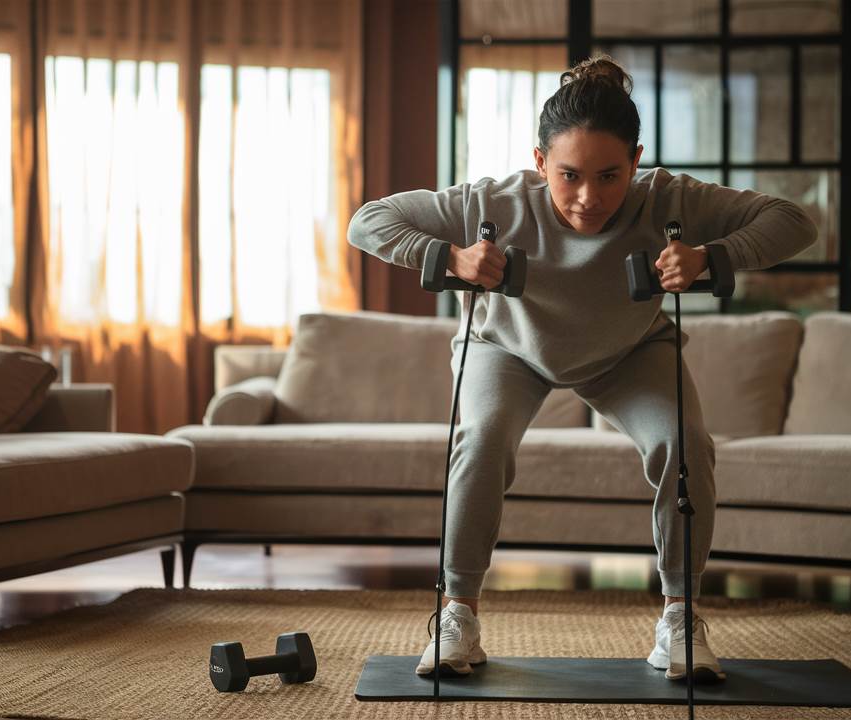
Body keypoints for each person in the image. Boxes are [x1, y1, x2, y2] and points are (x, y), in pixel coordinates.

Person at [347, 55, 816, 682]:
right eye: (568, 175)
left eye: (610, 175)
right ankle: (457, 611)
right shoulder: (493, 200)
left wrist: (710, 257)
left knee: (685, 443)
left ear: (637, 160)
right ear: (540, 163)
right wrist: (452, 257)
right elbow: (367, 222)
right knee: (480, 438)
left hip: (628, 354)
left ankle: (680, 616)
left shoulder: (669, 198)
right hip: (508, 349)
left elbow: (795, 222)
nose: (589, 197)